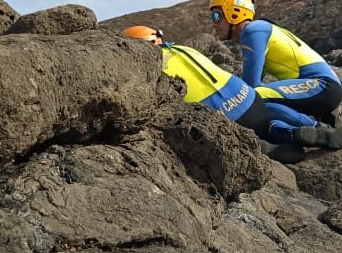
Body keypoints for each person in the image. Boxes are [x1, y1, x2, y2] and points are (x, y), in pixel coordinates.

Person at [122, 26, 306, 164]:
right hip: (251, 101)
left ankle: (260, 148)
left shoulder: (151, 68)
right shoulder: (183, 49)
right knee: (261, 124)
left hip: (226, 119)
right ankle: (289, 132)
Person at [209, 0, 342, 150]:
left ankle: (319, 128)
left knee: (251, 101)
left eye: (216, 16)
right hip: (320, 91)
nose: (213, 23)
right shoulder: (259, 31)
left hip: (323, 86)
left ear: (234, 12)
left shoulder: (253, 30)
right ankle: (293, 136)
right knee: (259, 108)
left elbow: (250, 88)